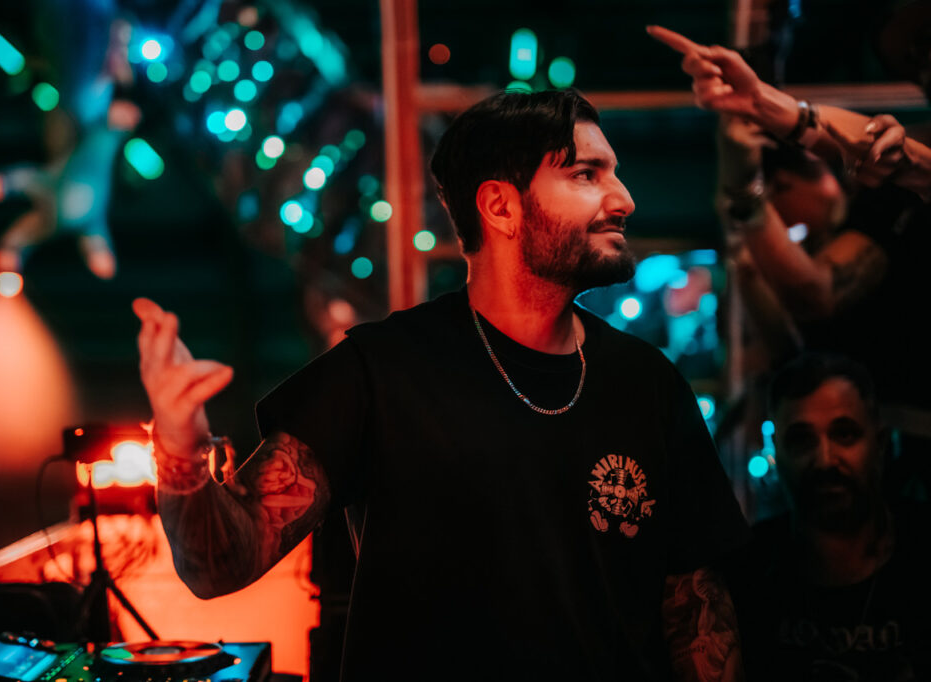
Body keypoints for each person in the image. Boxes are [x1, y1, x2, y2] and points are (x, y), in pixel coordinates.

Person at [134, 88, 750, 681]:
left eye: (613, 174)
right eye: (586, 175)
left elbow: (697, 615)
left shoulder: (650, 383)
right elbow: (220, 565)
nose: (623, 199)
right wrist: (180, 450)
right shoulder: (378, 371)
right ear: (500, 207)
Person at [651, 25, 931, 496]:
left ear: (780, 186)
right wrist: (761, 102)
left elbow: (813, 293)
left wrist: (746, 195)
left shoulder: (887, 207)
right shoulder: (863, 212)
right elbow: (790, 349)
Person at [728, 353, 931, 680]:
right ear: (777, 452)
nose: (824, 460)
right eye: (801, 440)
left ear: (880, 444)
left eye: (845, 434)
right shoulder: (747, 574)